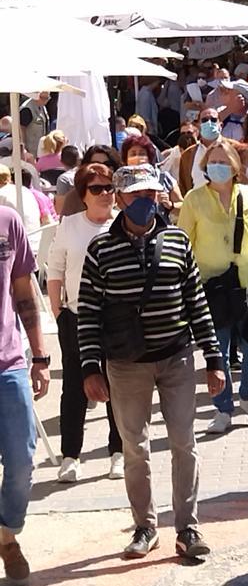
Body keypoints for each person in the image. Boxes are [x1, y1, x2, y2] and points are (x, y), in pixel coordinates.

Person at [78, 164, 225, 560]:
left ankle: (187, 527)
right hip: (126, 365)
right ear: (121, 199)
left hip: (176, 358)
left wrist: (213, 358)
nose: (145, 201)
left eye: (150, 194)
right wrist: (90, 368)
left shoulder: (177, 241)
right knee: (135, 447)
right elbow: (88, 312)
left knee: (184, 442)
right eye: (136, 195)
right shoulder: (101, 250)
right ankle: (145, 525)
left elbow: (197, 302)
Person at [177, 139, 248, 434]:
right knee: (217, 346)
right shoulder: (194, 198)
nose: (217, 167)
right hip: (211, 284)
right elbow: (183, 240)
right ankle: (222, 407)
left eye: (223, 161)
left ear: (234, 166)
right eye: (212, 162)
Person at [47, 163, 123, 484]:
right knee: (75, 389)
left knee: (116, 386)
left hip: (117, 321)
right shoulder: (69, 226)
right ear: (83, 194)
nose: (104, 193)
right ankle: (71, 456)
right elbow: (55, 270)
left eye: (109, 187)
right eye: (96, 188)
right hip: (77, 318)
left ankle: (118, 453)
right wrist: (59, 313)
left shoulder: (122, 223)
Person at [0, 196, 51, 586]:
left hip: (10, 363)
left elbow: (23, 292)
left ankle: (6, 535)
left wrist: (40, 355)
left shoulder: (8, 221)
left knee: (22, 462)